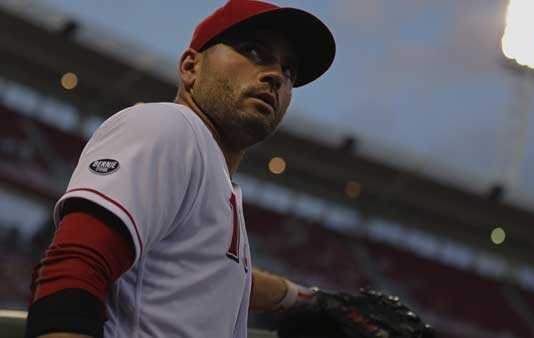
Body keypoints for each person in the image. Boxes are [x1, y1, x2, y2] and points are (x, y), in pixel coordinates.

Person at [25, 0, 335, 337]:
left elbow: (215, 276)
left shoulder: (212, 172)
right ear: (190, 67)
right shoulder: (170, 127)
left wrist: (304, 299)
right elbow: (76, 263)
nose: (276, 75)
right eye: (254, 52)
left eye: (289, 70)